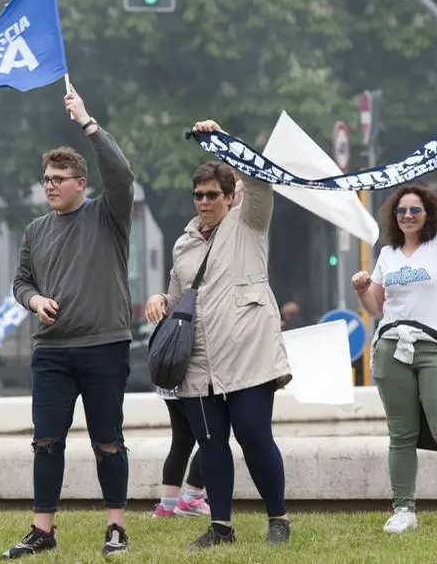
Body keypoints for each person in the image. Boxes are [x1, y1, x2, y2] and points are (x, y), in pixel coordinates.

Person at [144, 120, 293, 551]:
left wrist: (226, 140)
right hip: (198, 363)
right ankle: (221, 528)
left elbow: (260, 178)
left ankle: (278, 519)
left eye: (213, 194)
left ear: (230, 196)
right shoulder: (184, 242)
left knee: (254, 435)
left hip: (248, 355)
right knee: (210, 444)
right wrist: (159, 300)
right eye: (199, 194)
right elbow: (178, 296)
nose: (205, 201)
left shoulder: (250, 223)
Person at [3, 86, 135, 559]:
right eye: (46, 179)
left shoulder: (109, 215)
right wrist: (34, 300)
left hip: (104, 346)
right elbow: (20, 282)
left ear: (82, 182)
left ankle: (116, 527)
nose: (51, 185)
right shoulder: (35, 231)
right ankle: (43, 531)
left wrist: (88, 123)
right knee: (46, 442)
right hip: (52, 352)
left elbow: (121, 174)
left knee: (108, 442)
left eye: (60, 178)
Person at [351, 134, 437, 535]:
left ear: (428, 212)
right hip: (391, 348)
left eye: (414, 210)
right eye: (401, 211)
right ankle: (404, 509)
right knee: (401, 434)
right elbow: (378, 308)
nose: (408, 215)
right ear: (394, 216)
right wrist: (362, 290)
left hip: (436, 348)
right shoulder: (388, 254)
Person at [151, 386, 209, 519]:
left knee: (182, 441)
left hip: (168, 387)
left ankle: (167, 505)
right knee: (213, 439)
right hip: (190, 386)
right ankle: (191, 498)